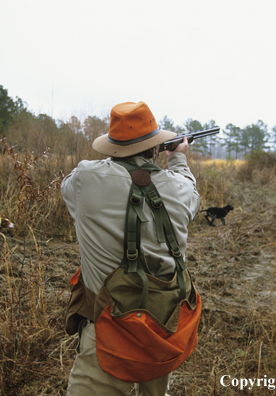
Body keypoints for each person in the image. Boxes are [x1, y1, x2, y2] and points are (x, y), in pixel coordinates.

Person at [61, 101, 200, 396]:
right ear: (155, 149)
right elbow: (191, 192)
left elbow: (68, 187)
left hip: (107, 333)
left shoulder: (86, 179)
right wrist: (177, 158)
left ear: (112, 147)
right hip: (162, 332)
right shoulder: (181, 188)